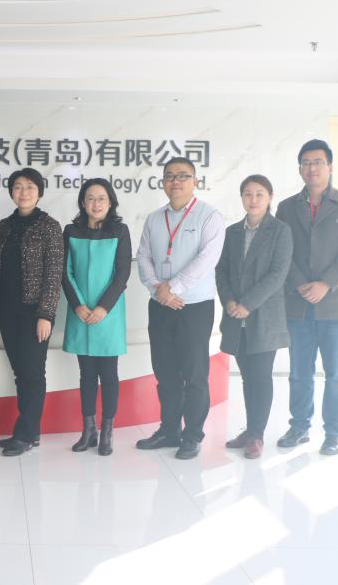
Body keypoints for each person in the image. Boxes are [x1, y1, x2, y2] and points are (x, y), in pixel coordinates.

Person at [275, 139, 338, 456]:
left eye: (318, 162)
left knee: (337, 375)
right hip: (297, 304)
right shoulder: (286, 208)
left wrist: (325, 284)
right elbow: (282, 251)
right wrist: (301, 283)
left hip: (336, 308)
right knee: (299, 373)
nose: (312, 168)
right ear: (300, 168)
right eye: (306, 162)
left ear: (330, 166)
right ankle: (299, 427)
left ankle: (335, 433)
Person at [135, 157, 225, 460]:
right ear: (162, 182)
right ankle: (170, 430)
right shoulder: (154, 219)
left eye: (183, 176)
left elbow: (207, 260)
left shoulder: (209, 216)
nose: (176, 181)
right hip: (160, 305)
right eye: (170, 176)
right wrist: (158, 290)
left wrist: (172, 288)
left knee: (195, 373)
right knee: (165, 372)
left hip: (194, 306)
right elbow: (143, 257)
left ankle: (192, 435)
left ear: (195, 181)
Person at [0, 168, 64, 457]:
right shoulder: (4, 226)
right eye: (18, 187)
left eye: (30, 187)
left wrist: (46, 314)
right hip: (8, 310)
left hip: (34, 313)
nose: (24, 192)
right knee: (21, 372)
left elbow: (54, 274)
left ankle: (26, 434)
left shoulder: (50, 226)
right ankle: (30, 431)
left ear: (39, 192)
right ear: (11, 192)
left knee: (32, 372)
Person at [215, 175, 293, 459]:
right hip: (236, 317)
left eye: (259, 194)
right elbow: (221, 270)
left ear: (270, 197)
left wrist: (247, 304)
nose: (253, 199)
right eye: (248, 194)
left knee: (260, 376)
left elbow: (278, 274)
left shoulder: (280, 231)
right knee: (248, 377)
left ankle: (257, 436)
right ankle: (250, 430)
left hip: (264, 317)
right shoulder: (232, 232)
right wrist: (229, 301)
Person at [61, 178, 131, 456]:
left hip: (108, 314)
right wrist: (78, 305)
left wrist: (103, 307)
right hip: (80, 312)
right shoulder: (71, 231)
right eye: (90, 198)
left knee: (109, 374)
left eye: (102, 198)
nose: (96, 203)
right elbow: (64, 271)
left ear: (110, 202)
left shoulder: (120, 231)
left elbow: (122, 273)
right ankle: (88, 430)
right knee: (86, 375)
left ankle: (107, 432)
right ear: (82, 202)